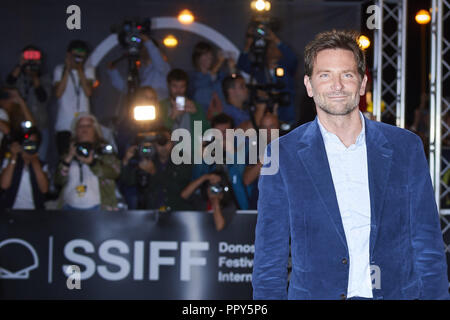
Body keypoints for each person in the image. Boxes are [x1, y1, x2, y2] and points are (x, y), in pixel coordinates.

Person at [253, 29, 450, 300]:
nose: (337, 85)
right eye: (325, 75)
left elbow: (427, 244)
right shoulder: (282, 155)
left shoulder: (405, 147)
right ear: (309, 86)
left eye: (346, 74)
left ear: (362, 84)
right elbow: (268, 258)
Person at [54, 113, 120, 211]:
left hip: (99, 207)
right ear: (75, 130)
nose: (84, 129)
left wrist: (92, 163)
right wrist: (69, 158)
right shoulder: (69, 151)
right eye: (81, 126)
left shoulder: (105, 150)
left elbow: (115, 173)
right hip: (69, 207)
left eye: (88, 126)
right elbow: (58, 180)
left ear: (95, 129)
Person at [119, 127, 192, 210]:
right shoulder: (148, 159)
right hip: (152, 212)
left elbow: (177, 188)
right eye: (159, 143)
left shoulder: (183, 160)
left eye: (165, 142)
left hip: (176, 210)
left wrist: (154, 173)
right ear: (154, 144)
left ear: (172, 142)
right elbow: (128, 181)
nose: (163, 146)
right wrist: (126, 160)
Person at [237, 26, 297, 125]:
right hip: (266, 118)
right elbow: (242, 65)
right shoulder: (259, 70)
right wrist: (248, 43)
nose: (272, 50)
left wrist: (274, 39)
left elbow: (292, 58)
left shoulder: (287, 68)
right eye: (269, 48)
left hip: (286, 117)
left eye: (275, 47)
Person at [5, 45, 52, 161]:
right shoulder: (18, 77)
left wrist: (35, 75)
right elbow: (8, 85)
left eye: (34, 56)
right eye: (28, 55)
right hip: (18, 127)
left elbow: (43, 97)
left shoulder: (45, 78)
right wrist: (21, 64)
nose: (31, 59)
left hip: (39, 126)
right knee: (16, 158)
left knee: (39, 159)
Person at [53, 40, 96, 156]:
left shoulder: (88, 70)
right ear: (68, 54)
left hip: (82, 123)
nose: (78, 58)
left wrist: (80, 70)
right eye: (75, 55)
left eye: (82, 56)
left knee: (83, 155)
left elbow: (88, 92)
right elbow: (58, 93)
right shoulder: (59, 69)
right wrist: (67, 69)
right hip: (64, 124)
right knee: (65, 156)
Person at [159, 68, 210, 157]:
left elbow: (205, 132)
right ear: (168, 86)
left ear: (186, 87)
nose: (178, 91)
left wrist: (195, 114)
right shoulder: (161, 106)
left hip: (191, 157)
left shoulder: (195, 106)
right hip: (168, 158)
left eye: (182, 86)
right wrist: (172, 117)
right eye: (174, 86)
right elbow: (158, 134)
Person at [107, 34, 170, 100]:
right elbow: (127, 89)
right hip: (143, 107)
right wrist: (113, 72)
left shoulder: (163, 66)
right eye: (142, 47)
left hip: (160, 106)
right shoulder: (140, 71)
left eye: (144, 47)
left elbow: (157, 58)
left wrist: (147, 41)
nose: (143, 49)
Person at [0, 126, 48, 209]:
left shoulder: (41, 164)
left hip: (35, 211)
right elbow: (4, 185)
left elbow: (44, 189)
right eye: (27, 142)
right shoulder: (10, 161)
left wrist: (34, 160)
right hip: (11, 210)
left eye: (33, 143)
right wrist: (14, 156)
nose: (29, 146)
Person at [243, 112, 280, 209]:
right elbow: (247, 180)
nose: (268, 131)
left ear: (278, 127)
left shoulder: (290, 147)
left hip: (283, 205)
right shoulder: (254, 149)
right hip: (260, 206)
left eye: (271, 126)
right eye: (264, 127)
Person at [189, 41, 236, 116]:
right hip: (199, 118)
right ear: (197, 58)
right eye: (205, 54)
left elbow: (233, 85)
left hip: (219, 119)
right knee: (197, 128)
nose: (209, 57)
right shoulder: (193, 78)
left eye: (210, 54)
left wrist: (232, 69)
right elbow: (204, 81)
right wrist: (220, 62)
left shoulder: (220, 75)